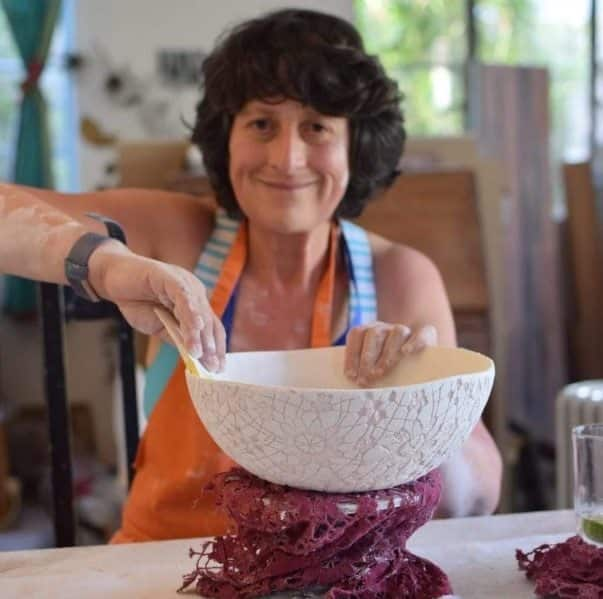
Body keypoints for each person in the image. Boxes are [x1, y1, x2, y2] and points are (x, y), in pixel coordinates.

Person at [0, 9, 502, 542]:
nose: (287, 159)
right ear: (227, 138)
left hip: (336, 579)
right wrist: (105, 261)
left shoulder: (401, 276)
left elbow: (475, 502)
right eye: (262, 124)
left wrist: (423, 404)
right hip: (159, 572)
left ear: (356, 145)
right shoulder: (179, 235)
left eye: (316, 127)